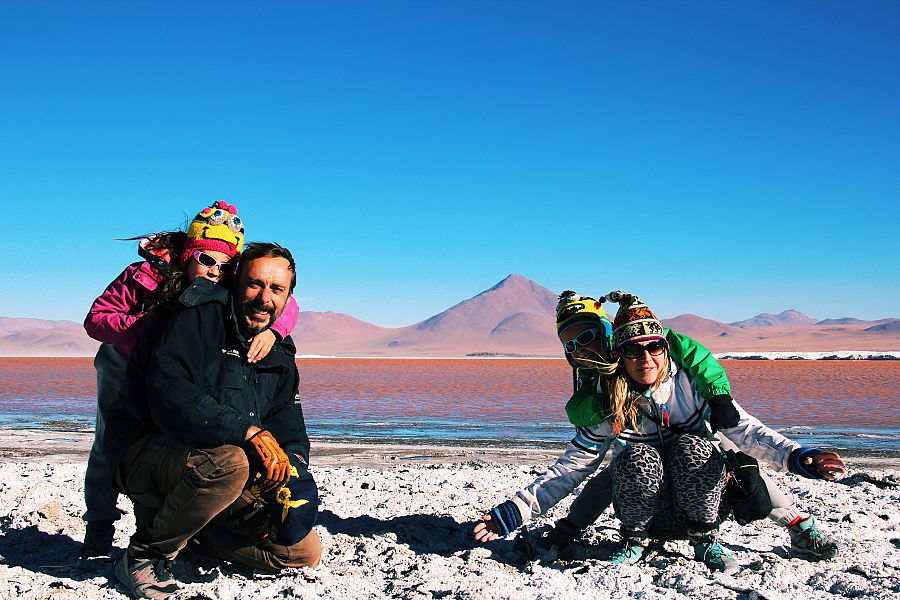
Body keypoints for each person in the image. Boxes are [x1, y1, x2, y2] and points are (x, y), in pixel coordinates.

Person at [474, 291, 844, 573]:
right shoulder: (602, 398)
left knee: (708, 448)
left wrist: (795, 456)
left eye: (654, 347)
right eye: (570, 345)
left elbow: (743, 430)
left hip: (705, 501)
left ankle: (784, 526)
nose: (645, 358)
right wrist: (515, 511)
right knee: (630, 456)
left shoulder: (691, 382)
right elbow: (575, 465)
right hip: (647, 508)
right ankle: (634, 540)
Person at [80, 202, 298, 559]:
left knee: (169, 436)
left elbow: (286, 302)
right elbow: (96, 320)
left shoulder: (228, 285)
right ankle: (99, 527)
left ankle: (157, 527)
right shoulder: (146, 277)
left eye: (225, 265)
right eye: (206, 260)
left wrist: (274, 332)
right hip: (124, 365)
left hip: (175, 368)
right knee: (111, 444)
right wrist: (146, 327)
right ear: (187, 255)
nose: (215, 271)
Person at [106, 242, 319, 599]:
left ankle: (193, 535)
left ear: (288, 298)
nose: (264, 297)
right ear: (236, 282)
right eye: (255, 284)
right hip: (151, 454)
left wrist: (290, 468)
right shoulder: (199, 316)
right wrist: (247, 432)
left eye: (277, 289)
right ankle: (144, 556)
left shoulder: (279, 351)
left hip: (214, 474)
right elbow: (170, 393)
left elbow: (290, 427)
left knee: (300, 550)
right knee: (231, 462)